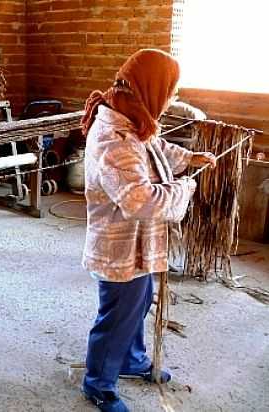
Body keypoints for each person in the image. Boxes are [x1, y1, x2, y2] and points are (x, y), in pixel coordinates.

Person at [79, 49, 216, 412]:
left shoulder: (131, 117)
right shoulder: (113, 139)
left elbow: (155, 147)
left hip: (138, 247)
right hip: (119, 248)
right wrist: (185, 188)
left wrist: (189, 159)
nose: (172, 99)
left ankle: (131, 360)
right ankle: (98, 384)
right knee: (117, 315)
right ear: (150, 87)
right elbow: (138, 200)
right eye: (171, 92)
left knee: (138, 305)